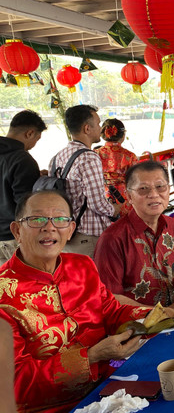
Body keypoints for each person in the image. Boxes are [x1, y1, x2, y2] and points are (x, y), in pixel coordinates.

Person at [1, 190, 155, 412]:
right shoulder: (4, 295)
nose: (50, 227)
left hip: (110, 386)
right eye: (37, 219)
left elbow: (110, 311)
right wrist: (90, 357)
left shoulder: (82, 265)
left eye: (60, 219)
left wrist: (151, 316)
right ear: (17, 230)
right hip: (54, 407)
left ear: (71, 229)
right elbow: (15, 383)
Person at [94, 162, 174, 308]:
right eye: (143, 189)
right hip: (137, 325)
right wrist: (161, 313)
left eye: (160, 187)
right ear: (129, 196)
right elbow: (110, 298)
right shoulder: (112, 239)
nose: (154, 195)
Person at [49, 105, 118, 257]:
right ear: (87, 128)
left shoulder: (57, 157)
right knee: (93, 278)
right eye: (99, 123)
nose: (101, 128)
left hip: (65, 232)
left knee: (75, 277)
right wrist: (115, 210)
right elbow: (96, 203)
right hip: (87, 235)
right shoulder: (88, 157)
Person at [0, 110, 46, 264]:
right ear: (29, 133)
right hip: (12, 237)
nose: (33, 146)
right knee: (26, 284)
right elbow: (25, 202)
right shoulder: (22, 159)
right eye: (37, 140)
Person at [97, 118, 137, 216]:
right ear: (122, 136)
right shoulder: (130, 156)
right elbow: (136, 180)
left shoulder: (95, 154)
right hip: (124, 197)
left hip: (102, 196)